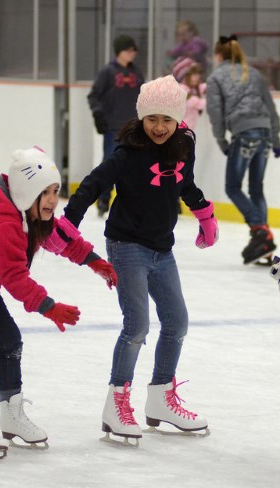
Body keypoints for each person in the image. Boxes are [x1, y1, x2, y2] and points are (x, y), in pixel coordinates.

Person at [0, 147, 118, 459]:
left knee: (10, 342)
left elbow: (64, 241)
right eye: (46, 193)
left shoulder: (34, 216)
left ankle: (11, 415)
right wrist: (49, 305)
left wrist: (96, 263)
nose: (54, 200)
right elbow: (15, 279)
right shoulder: (6, 225)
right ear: (28, 192)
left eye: (56, 191)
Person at [63, 75, 218, 444]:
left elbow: (185, 185)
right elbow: (91, 185)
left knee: (176, 322)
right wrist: (68, 225)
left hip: (162, 248)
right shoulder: (127, 152)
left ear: (178, 119)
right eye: (152, 119)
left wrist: (204, 214)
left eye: (167, 119)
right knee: (136, 327)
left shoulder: (184, 145)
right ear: (142, 118)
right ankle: (116, 403)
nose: (159, 127)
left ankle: (161, 398)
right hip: (126, 245)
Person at [206, 34, 280, 265]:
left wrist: (221, 141)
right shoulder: (253, 73)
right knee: (256, 189)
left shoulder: (216, 77)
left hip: (244, 133)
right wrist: (276, 138)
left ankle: (259, 231)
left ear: (219, 55)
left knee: (232, 187)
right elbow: (270, 106)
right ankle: (265, 246)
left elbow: (215, 113)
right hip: (265, 132)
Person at [88, 34, 145, 218]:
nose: (132, 54)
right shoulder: (108, 72)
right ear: (119, 51)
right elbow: (94, 95)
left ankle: (132, 200)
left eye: (133, 51)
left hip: (134, 127)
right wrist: (98, 114)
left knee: (134, 164)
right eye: (128, 50)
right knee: (111, 162)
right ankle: (104, 197)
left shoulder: (137, 72)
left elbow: (144, 94)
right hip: (114, 127)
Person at [172, 56, 206, 130]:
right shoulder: (182, 91)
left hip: (186, 131)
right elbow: (198, 103)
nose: (198, 77)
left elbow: (203, 87)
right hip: (179, 133)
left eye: (198, 74)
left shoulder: (192, 88)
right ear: (185, 77)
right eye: (194, 74)